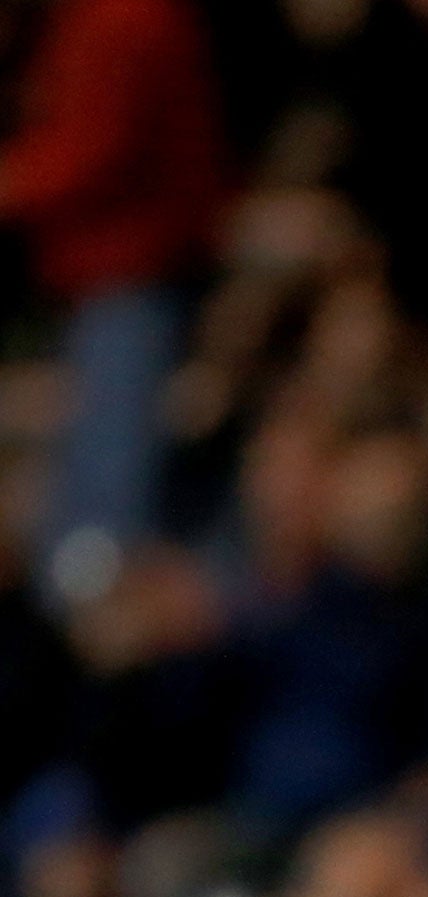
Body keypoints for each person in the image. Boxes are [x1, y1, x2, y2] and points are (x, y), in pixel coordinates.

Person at [0, 0, 227, 597]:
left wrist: (11, 181)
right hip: (92, 289)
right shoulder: (76, 22)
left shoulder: (122, 18)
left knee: (105, 492)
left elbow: (95, 150)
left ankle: (91, 625)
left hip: (133, 283)